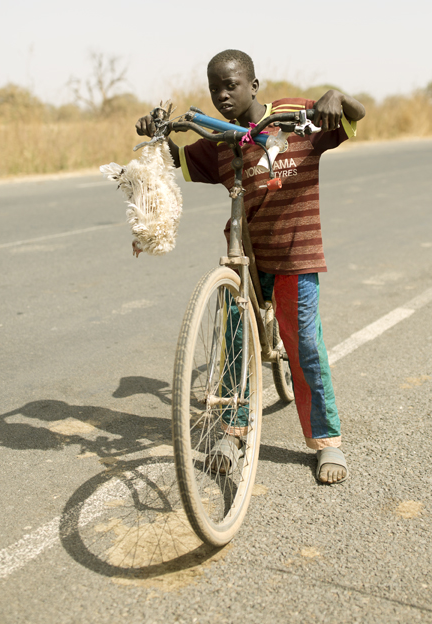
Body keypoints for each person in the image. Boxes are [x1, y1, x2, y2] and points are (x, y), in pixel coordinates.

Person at [136, 49, 365, 484]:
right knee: (234, 340)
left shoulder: (298, 120)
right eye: (214, 88)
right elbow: (178, 160)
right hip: (246, 256)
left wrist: (338, 97)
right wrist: (157, 133)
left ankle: (326, 441)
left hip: (295, 255)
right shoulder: (220, 143)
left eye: (232, 85)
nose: (222, 95)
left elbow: (356, 114)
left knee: (306, 347)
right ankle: (232, 431)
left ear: (253, 86)